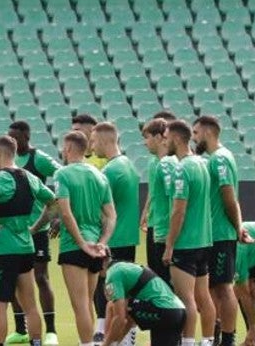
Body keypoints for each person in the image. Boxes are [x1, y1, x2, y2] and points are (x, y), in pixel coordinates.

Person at [0, 135, 58, 346]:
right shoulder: (30, 178)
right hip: (26, 249)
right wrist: (34, 228)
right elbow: (53, 203)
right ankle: (36, 344)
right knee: (30, 306)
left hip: (2, 252)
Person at [53, 131, 116, 346]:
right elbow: (111, 215)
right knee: (87, 303)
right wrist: (102, 242)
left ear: (69, 148)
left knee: (80, 306)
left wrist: (81, 243)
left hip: (74, 246)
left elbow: (65, 212)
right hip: (95, 246)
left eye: (64, 147)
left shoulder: (62, 174)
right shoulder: (99, 175)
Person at [193, 115, 249, 346]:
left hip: (220, 234)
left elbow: (228, 196)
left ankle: (227, 338)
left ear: (207, 132)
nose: (194, 138)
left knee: (224, 288)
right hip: (212, 233)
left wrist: (237, 228)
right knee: (213, 289)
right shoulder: (217, 158)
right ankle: (216, 336)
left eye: (196, 133)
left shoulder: (220, 159)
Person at [6, 121, 62, 346]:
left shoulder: (38, 159)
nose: (12, 140)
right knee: (12, 280)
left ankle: (51, 331)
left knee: (40, 277)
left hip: (37, 229)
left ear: (26, 137)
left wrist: (57, 214)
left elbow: (61, 175)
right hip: (14, 230)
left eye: (15, 137)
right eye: (9, 137)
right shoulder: (7, 160)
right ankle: (21, 329)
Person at [162, 120, 216, 346]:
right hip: (204, 241)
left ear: (176, 138)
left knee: (186, 300)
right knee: (204, 296)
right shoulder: (202, 164)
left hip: (185, 243)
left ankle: (187, 342)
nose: (164, 142)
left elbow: (178, 212)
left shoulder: (182, 169)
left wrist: (169, 245)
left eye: (166, 138)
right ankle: (208, 340)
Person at [91, 122, 141, 344]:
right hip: (128, 237)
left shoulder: (110, 171)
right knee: (124, 290)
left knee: (112, 291)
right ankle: (126, 334)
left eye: (94, 141)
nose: (92, 146)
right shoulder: (128, 164)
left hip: (114, 238)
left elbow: (97, 206)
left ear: (104, 140)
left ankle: (112, 336)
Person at [102, 261, 187, 346]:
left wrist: (106, 344)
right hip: (179, 312)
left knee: (111, 305)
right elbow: (128, 320)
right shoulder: (129, 270)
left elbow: (120, 318)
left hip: (164, 311)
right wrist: (115, 342)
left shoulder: (112, 274)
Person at [142, 118, 178, 286]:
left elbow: (175, 200)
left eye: (147, 137)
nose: (145, 143)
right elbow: (153, 191)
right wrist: (146, 212)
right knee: (156, 277)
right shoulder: (154, 162)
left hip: (164, 230)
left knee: (166, 282)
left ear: (158, 137)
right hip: (155, 225)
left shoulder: (169, 164)